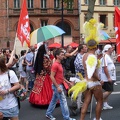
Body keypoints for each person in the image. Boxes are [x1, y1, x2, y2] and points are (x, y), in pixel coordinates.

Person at [46, 48, 76, 120]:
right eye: (62, 55)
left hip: (59, 85)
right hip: (58, 85)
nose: (63, 56)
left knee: (54, 100)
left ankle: (48, 113)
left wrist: (67, 82)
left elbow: (60, 76)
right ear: (57, 56)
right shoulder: (55, 65)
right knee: (63, 101)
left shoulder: (59, 64)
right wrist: (57, 87)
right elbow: (51, 76)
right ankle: (66, 117)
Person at [0, 55, 20, 120]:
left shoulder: (10, 73)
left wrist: (7, 91)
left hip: (11, 106)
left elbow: (18, 85)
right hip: (1, 108)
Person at [100, 44, 116, 110]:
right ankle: (99, 100)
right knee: (109, 90)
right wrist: (108, 77)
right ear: (108, 49)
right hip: (106, 78)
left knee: (107, 90)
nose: (112, 49)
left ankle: (105, 104)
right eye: (111, 48)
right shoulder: (105, 56)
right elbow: (105, 67)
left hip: (109, 76)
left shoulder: (107, 56)